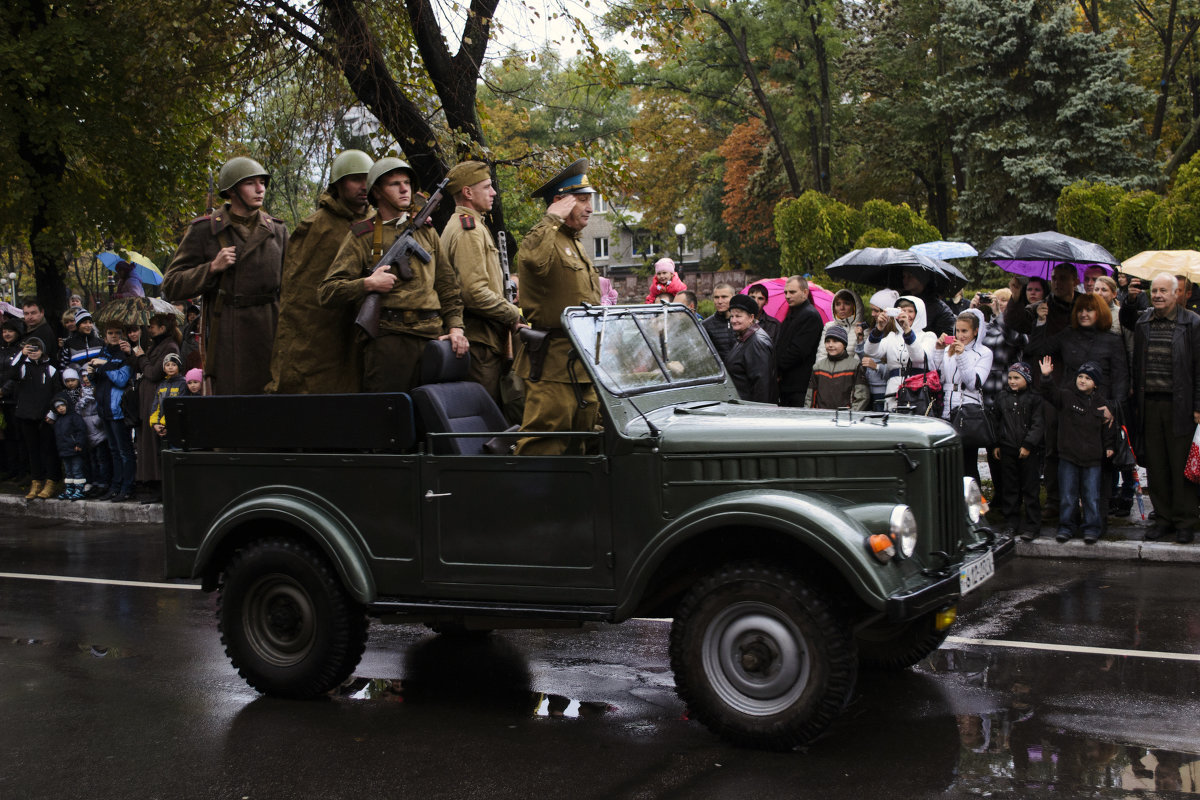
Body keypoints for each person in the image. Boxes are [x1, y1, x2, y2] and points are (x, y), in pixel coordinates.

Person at [319, 157, 467, 393]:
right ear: (376, 192)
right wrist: (367, 284)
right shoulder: (362, 235)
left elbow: (448, 286)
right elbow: (328, 292)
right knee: (389, 417)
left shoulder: (426, 232)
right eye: (394, 184)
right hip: (389, 341)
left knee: (433, 417)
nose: (404, 189)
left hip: (432, 336)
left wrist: (456, 328)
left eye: (407, 182)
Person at [163, 156, 288, 396]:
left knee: (271, 407)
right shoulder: (205, 230)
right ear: (231, 190)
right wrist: (211, 268)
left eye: (262, 182)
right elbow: (172, 284)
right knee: (233, 409)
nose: (260, 189)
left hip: (271, 332)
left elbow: (294, 288)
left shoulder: (277, 231)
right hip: (228, 333)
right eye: (251, 183)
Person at [512, 158, 602, 455]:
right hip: (552, 365)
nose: (589, 207)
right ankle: (531, 503)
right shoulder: (543, 237)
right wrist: (551, 219)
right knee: (543, 447)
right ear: (560, 202)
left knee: (581, 448)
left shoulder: (572, 241)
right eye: (581, 199)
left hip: (582, 364)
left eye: (589, 199)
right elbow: (533, 261)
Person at [267, 149, 373, 394]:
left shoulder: (379, 221)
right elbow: (299, 300)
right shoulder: (316, 227)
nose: (364, 186)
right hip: (325, 334)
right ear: (338, 184)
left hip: (366, 330)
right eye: (355, 179)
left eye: (368, 179)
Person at [1126, 273, 1200, 543]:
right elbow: (1136, 362)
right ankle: (1164, 519)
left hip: (1180, 404)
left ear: (1176, 294)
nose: (1157, 295)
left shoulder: (1192, 323)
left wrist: (1198, 406)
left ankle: (1185, 522)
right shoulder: (1144, 321)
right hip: (1150, 404)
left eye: (1163, 291)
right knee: (1156, 466)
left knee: (1180, 466)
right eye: (1154, 290)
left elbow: (1199, 368)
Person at [439, 160, 521, 404]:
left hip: (483, 339)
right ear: (467, 192)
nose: (493, 192)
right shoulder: (469, 230)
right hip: (479, 343)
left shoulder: (471, 225)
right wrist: (513, 313)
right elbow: (473, 292)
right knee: (486, 416)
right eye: (487, 187)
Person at [1039, 359, 1116, 544]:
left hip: (1092, 459)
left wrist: (1110, 446)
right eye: (1080, 376)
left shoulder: (1101, 404)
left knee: (1091, 496)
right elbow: (1049, 393)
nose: (1082, 380)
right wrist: (1046, 376)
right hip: (1068, 456)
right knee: (1067, 495)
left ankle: (1091, 528)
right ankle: (1066, 527)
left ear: (1095, 383)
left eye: (1087, 378)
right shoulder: (1066, 396)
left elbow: (1108, 428)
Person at [934, 309, 994, 481]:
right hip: (945, 408)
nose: (960, 335)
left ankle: (973, 504)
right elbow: (938, 378)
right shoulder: (948, 350)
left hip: (967, 411)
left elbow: (973, 383)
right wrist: (939, 351)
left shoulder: (984, 353)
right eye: (957, 331)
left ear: (976, 331)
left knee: (968, 463)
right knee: (945, 461)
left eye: (965, 331)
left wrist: (961, 356)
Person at [990, 362, 1044, 541]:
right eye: (1010, 377)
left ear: (1026, 379)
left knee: (1030, 488)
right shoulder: (1002, 397)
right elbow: (996, 421)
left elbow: (1038, 424)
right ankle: (1012, 523)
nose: (1012, 381)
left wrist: (1028, 445)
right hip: (1007, 448)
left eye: (1017, 378)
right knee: (1010, 488)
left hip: (1028, 451)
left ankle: (1032, 524)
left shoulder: (1035, 398)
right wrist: (997, 443)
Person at [6, 337, 62, 499]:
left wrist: (52, 413)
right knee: (32, 450)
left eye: (36, 349)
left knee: (48, 449)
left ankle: (51, 480)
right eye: (31, 349)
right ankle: (36, 481)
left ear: (42, 350)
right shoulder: (23, 367)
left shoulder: (50, 368)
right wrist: (21, 355)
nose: (34, 352)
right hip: (26, 415)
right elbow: (12, 373)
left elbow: (57, 391)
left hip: (45, 417)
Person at [87, 322, 136, 502]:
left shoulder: (125, 353)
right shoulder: (104, 352)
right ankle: (115, 486)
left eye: (117, 333)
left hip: (119, 409)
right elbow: (98, 381)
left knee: (124, 451)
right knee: (113, 450)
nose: (113, 336)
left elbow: (122, 380)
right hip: (104, 407)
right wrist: (92, 373)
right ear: (105, 335)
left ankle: (127, 486)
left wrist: (104, 366)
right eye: (110, 333)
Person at [135, 319, 181, 501]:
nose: (148, 329)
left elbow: (154, 372)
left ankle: (159, 486)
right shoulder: (155, 345)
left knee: (155, 444)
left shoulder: (169, 347)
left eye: (151, 326)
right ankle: (149, 482)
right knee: (147, 442)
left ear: (162, 327)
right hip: (148, 398)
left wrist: (142, 357)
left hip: (158, 399)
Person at [775, 276, 823, 407]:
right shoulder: (793, 314)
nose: (787, 296)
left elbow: (798, 351)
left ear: (805, 292)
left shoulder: (809, 316)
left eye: (792, 292)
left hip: (799, 385)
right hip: (786, 383)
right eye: (786, 292)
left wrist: (777, 368)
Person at [805, 326, 869, 410]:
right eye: (827, 341)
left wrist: (850, 415)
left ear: (844, 344)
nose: (830, 345)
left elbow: (862, 397)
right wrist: (811, 415)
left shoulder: (855, 366)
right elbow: (810, 397)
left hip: (844, 418)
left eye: (835, 341)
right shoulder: (818, 367)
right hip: (821, 418)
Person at [726, 293, 774, 402]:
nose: (733, 320)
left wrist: (756, 414)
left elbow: (762, 386)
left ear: (751, 317)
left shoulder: (757, 342)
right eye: (732, 316)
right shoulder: (744, 336)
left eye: (738, 316)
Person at [50, 392, 88, 500]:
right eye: (58, 407)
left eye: (62, 405)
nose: (61, 408)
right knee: (68, 471)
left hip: (74, 449)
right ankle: (69, 489)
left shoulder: (74, 417)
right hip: (64, 450)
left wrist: (79, 444)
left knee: (77, 469)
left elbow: (81, 431)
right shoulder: (58, 420)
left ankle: (79, 489)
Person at [900, 266, 956, 336]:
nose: (905, 280)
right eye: (904, 276)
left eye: (910, 276)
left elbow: (949, 336)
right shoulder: (901, 301)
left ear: (922, 277)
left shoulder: (938, 308)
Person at [148, 354, 188, 453]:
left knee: (177, 454)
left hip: (177, 427)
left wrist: (166, 424)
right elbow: (156, 405)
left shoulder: (183, 384)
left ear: (179, 367)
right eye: (167, 365)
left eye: (174, 364)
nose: (170, 367)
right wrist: (155, 424)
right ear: (164, 368)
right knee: (165, 456)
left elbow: (178, 405)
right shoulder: (162, 385)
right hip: (162, 429)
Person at [702, 283, 737, 362]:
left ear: (733, 298)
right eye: (716, 297)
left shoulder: (741, 323)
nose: (720, 301)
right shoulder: (706, 325)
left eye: (724, 297)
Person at [20, 298, 59, 363]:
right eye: (26, 314)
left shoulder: (43, 332)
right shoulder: (26, 329)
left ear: (42, 312)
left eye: (33, 313)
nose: (30, 317)